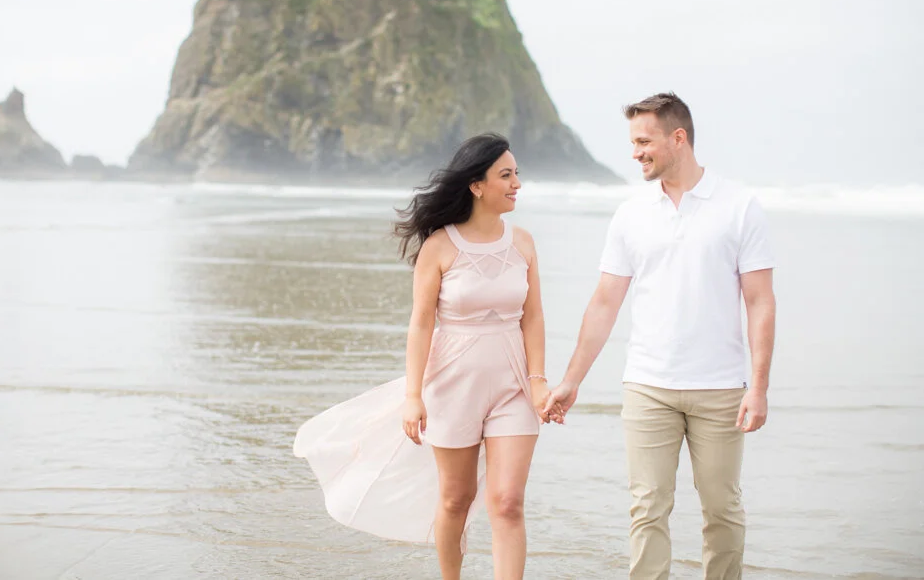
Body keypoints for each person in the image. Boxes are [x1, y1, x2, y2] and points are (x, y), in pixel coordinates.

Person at [294, 133, 554, 580]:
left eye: (517, 175)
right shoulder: (440, 246)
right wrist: (413, 395)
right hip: (451, 383)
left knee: (507, 502)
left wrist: (538, 379)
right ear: (477, 185)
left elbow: (533, 318)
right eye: (506, 175)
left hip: (513, 383)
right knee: (456, 499)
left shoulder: (524, 242)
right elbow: (420, 324)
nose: (516, 184)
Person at [544, 93, 777, 580]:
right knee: (647, 510)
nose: (635, 153)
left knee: (722, 511)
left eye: (643, 141)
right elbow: (605, 301)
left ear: (678, 138)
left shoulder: (739, 206)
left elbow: (759, 301)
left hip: (720, 389)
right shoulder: (631, 214)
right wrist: (571, 380)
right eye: (633, 142)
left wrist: (758, 387)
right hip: (648, 385)